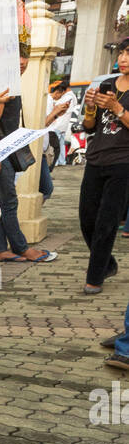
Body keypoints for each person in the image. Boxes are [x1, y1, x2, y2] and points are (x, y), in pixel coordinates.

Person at [0, 43, 58, 265]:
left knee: (2, 202)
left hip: (7, 149)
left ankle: (0, 249)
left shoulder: (12, 82)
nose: (22, 64)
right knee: (9, 203)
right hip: (1, 151)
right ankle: (22, 248)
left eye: (25, 61)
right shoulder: (4, 83)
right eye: (18, 60)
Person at [78, 40, 129, 295]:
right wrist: (90, 108)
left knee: (106, 222)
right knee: (86, 219)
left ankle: (94, 278)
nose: (123, 58)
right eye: (121, 53)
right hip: (95, 158)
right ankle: (107, 264)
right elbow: (90, 126)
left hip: (123, 163)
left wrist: (117, 108)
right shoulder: (106, 84)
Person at [46, 78, 79, 166]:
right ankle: (60, 161)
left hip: (58, 124)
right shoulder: (71, 96)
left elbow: (57, 108)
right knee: (60, 145)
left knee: (55, 145)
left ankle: (56, 162)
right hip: (60, 123)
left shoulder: (68, 97)